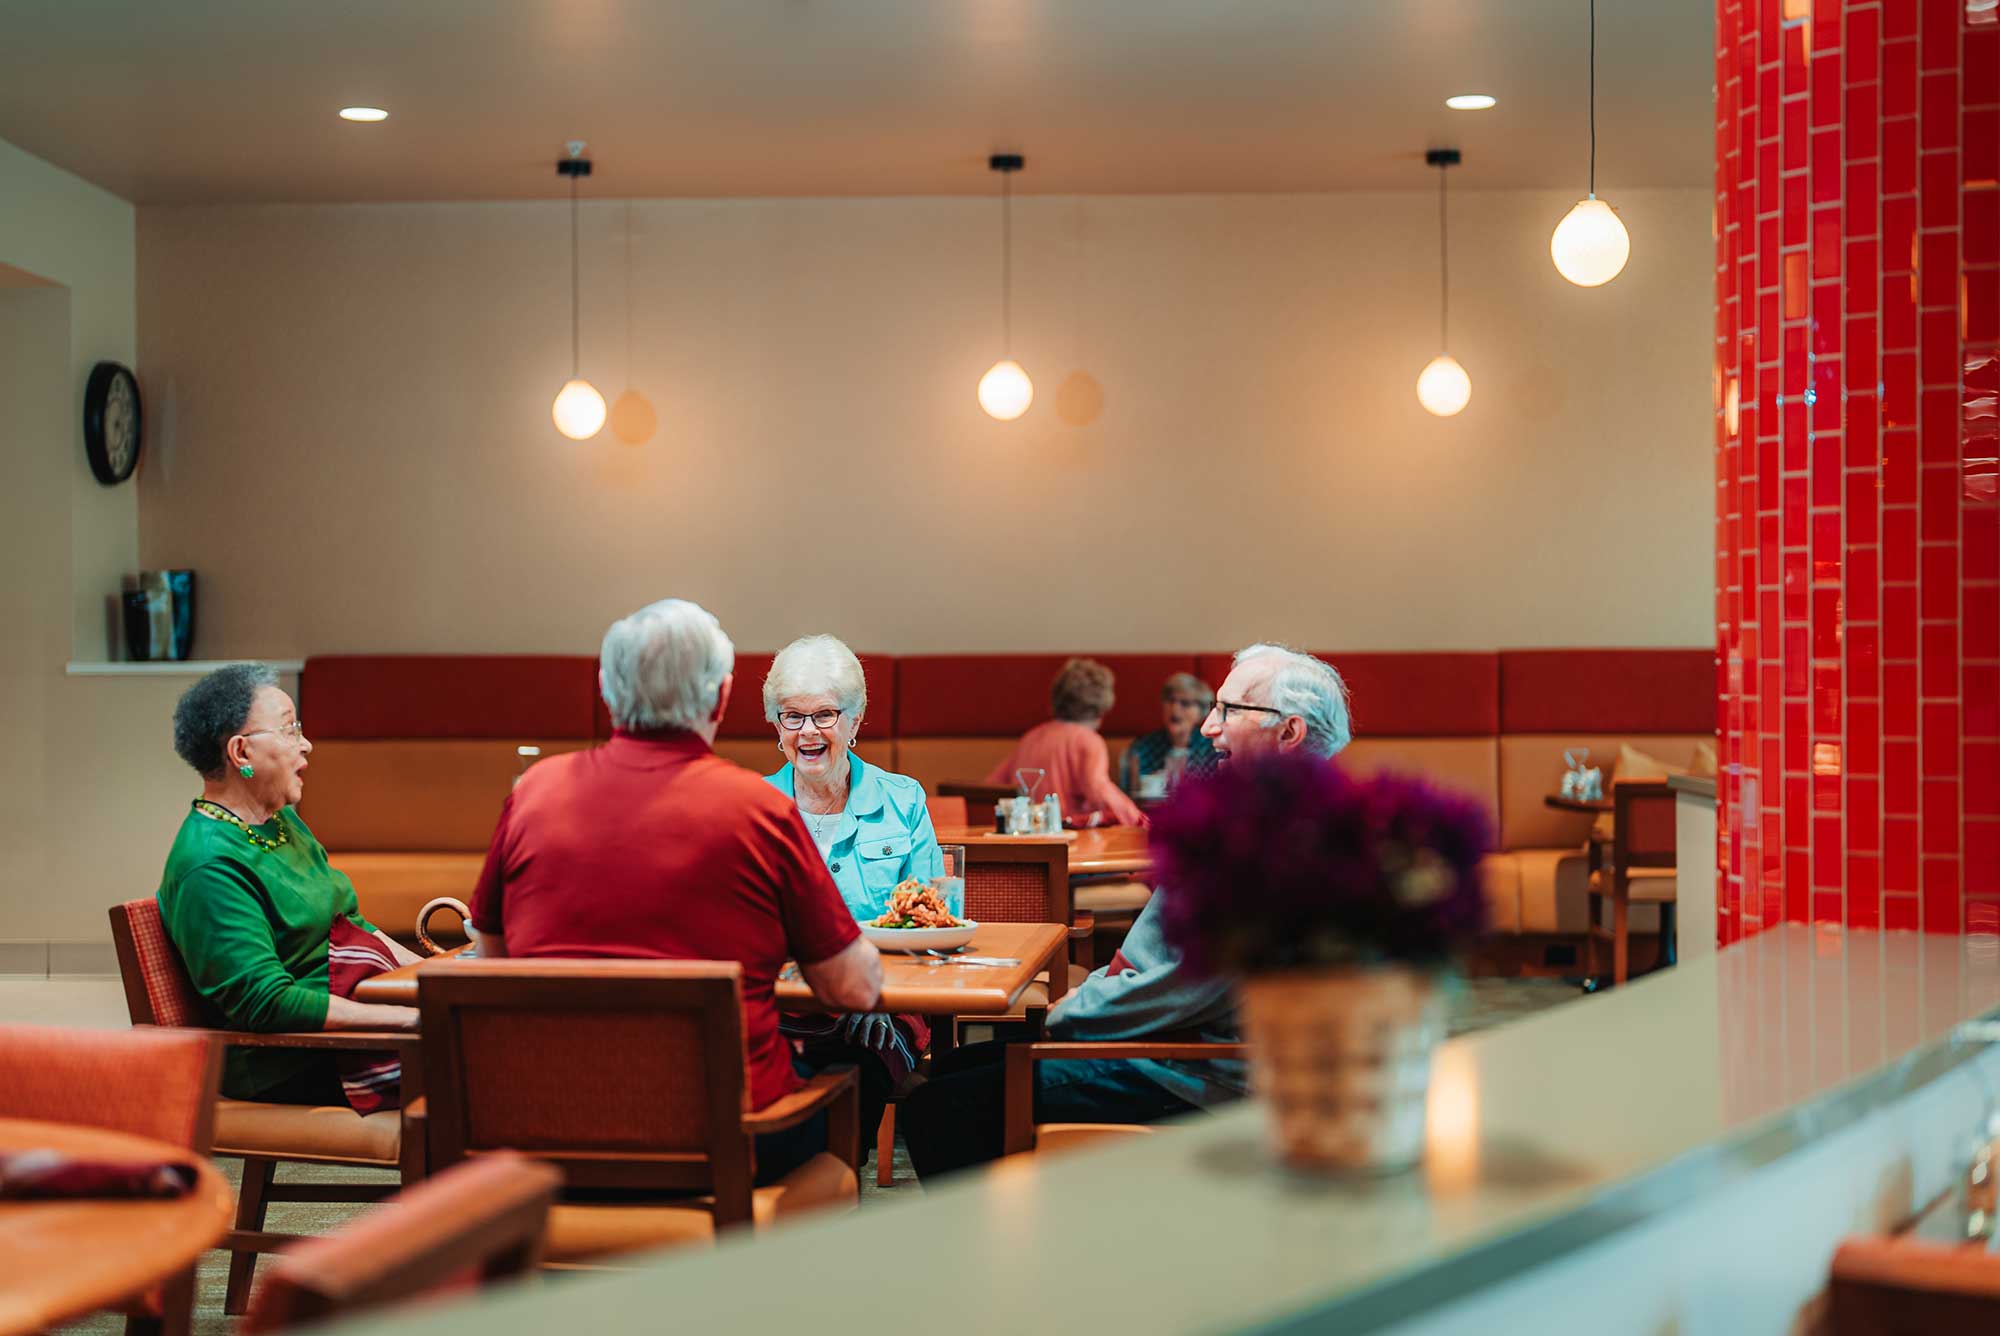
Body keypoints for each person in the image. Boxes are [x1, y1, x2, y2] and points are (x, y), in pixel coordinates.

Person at [467, 599, 884, 1182]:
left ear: (607, 692)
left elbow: (493, 962)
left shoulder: (533, 793)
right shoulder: (761, 811)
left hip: (551, 1140)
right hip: (727, 1145)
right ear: (720, 696)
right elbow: (853, 988)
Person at [900, 643, 1350, 1180]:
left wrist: (1066, 1014)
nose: (1209, 727)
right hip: (1181, 1041)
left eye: (1228, 711)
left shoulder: (1269, 841)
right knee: (955, 1068)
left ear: (1288, 734)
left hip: (1191, 1070)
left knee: (940, 1107)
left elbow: (1183, 984)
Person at [157, 663, 421, 1109]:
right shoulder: (209, 864)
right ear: (241, 752)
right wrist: (406, 1020)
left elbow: (352, 925)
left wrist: (444, 978)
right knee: (490, 1058)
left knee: (498, 1031)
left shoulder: (281, 823)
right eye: (289, 730)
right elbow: (266, 1003)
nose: (306, 744)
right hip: (292, 1057)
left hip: (349, 1020)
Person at [763, 634, 942, 1122]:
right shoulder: (753, 808)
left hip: (885, 1005)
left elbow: (928, 926)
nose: (807, 732)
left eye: (825, 715)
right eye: (792, 716)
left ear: (855, 720)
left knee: (857, 1073)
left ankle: (837, 1182)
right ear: (776, 725)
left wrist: (876, 998)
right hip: (782, 1010)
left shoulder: (903, 801)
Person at [985, 657, 1146, 827]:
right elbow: (1098, 790)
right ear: (1100, 708)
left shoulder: (1031, 737)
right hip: (1070, 840)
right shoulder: (1089, 741)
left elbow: (992, 788)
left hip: (1027, 837)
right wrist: (1140, 820)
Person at [1118, 672, 1220, 799]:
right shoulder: (1142, 747)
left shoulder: (1213, 749)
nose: (1174, 708)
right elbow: (1127, 794)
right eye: (1170, 700)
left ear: (1201, 711)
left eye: (1185, 703)